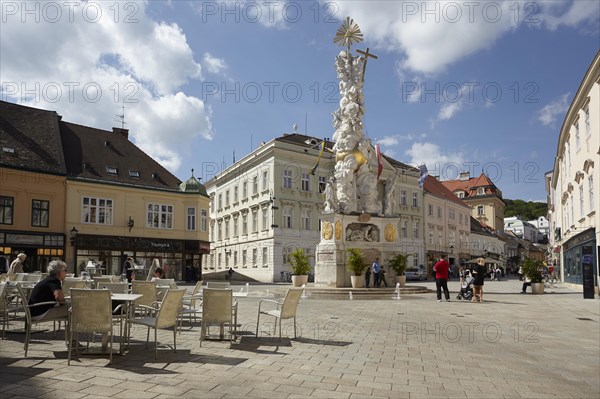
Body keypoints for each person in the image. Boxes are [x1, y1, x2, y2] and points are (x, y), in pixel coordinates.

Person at [27, 260, 71, 343]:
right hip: (39, 313)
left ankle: (72, 341)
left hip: (34, 311)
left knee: (70, 308)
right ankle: (73, 342)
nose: (66, 273)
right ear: (59, 272)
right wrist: (66, 301)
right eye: (65, 270)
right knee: (73, 310)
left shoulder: (48, 279)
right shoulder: (54, 281)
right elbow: (59, 298)